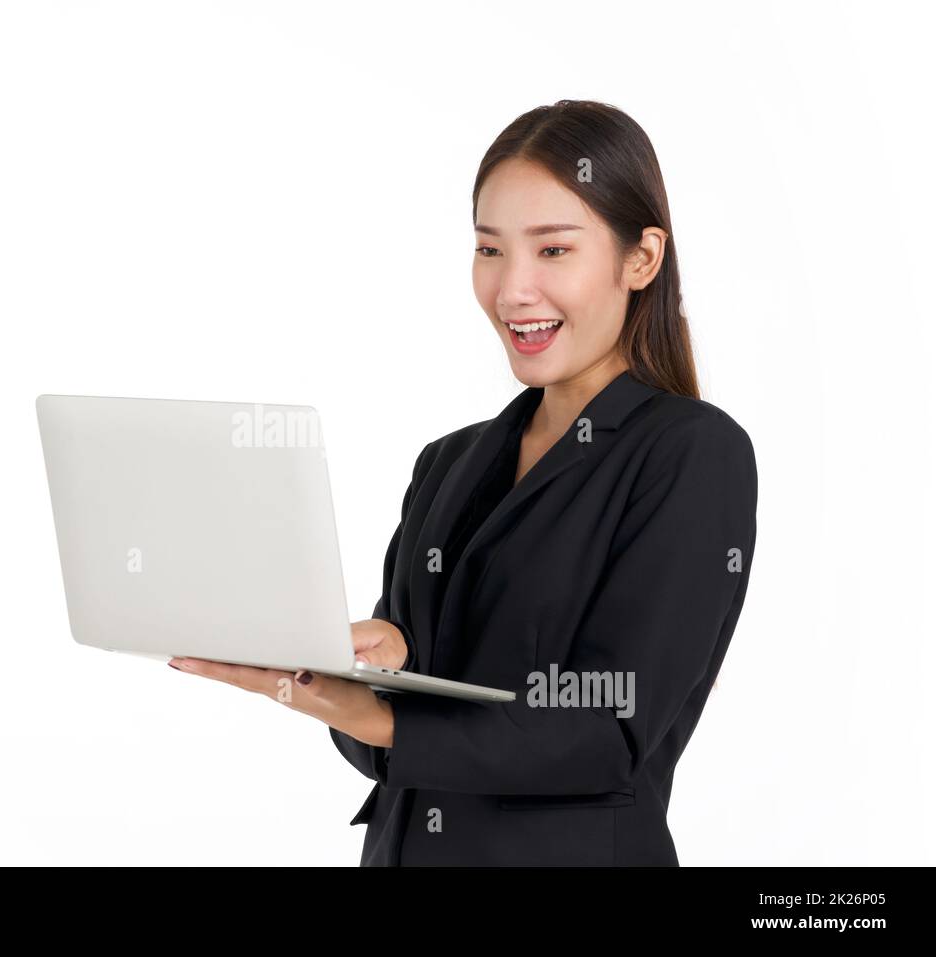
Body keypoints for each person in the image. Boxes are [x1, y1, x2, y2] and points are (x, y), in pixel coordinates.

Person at [168, 99, 758, 866]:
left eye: (552, 251)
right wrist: (380, 672)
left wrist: (385, 721)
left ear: (640, 259)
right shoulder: (448, 465)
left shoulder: (690, 454)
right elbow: (394, 755)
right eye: (489, 249)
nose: (512, 290)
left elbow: (609, 732)